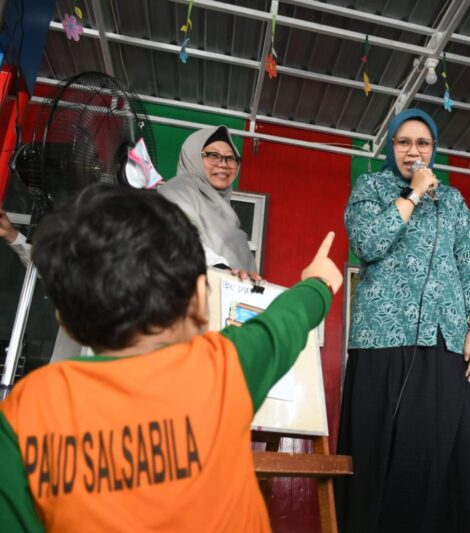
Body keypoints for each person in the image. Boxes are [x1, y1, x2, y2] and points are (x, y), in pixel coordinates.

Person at [0, 185, 342, 531]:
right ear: (198, 300)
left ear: (65, 319)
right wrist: (318, 284)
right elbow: (285, 321)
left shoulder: (25, 411)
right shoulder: (223, 368)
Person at [336, 108, 470, 532]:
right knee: (387, 451)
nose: (414, 151)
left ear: (434, 148)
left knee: (444, 451)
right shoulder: (371, 188)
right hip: (383, 339)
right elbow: (367, 243)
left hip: (445, 339)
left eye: (423, 143)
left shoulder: (452, 199)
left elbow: (469, 265)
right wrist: (411, 195)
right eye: (404, 142)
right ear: (390, 145)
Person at [159, 125, 259, 275]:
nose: (223, 164)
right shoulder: (177, 192)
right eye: (213, 155)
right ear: (193, 157)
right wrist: (223, 270)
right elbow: (180, 239)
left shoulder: (229, 219)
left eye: (231, 158)